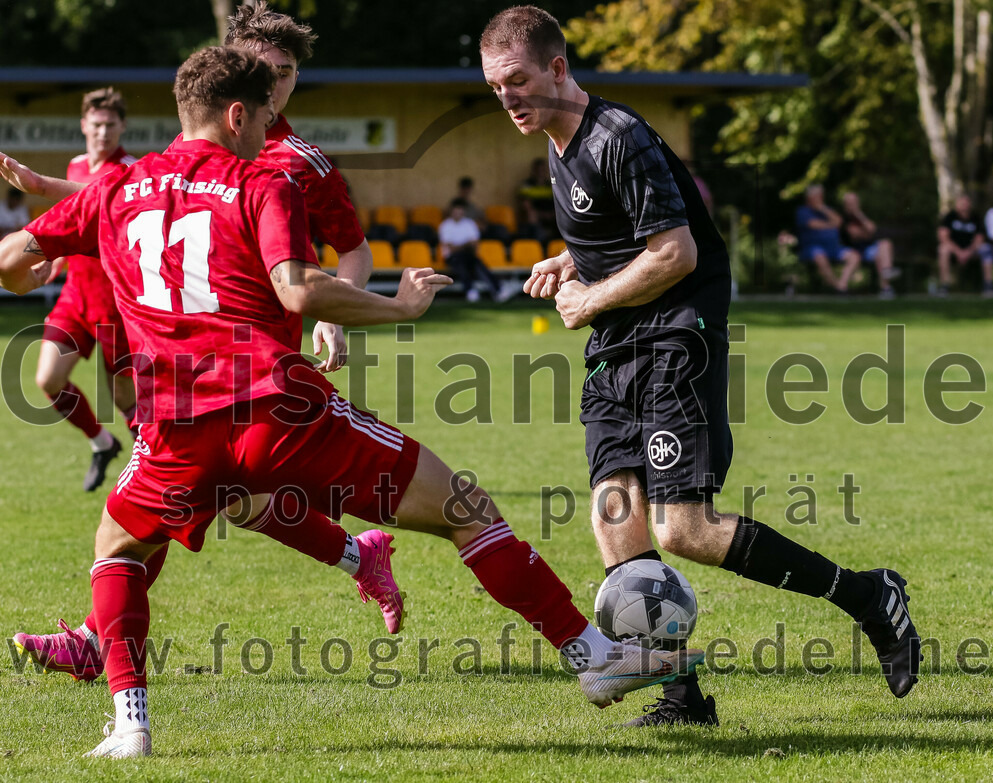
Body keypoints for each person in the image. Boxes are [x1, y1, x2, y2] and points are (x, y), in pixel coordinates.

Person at [0, 45, 702, 759]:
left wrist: (36, 274)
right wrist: (397, 307)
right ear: (237, 115)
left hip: (175, 433)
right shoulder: (260, 180)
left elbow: (11, 262)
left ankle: (131, 726)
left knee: (117, 550)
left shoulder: (116, 189)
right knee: (464, 509)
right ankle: (592, 656)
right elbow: (299, 289)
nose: (266, 131)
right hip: (278, 411)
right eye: (262, 118)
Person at [482, 5, 921, 727]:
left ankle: (870, 595)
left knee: (684, 527)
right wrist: (571, 261)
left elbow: (676, 252)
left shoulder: (617, 137)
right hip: (616, 349)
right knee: (614, 514)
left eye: (518, 81)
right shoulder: (560, 146)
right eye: (496, 87)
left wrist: (589, 297)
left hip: (674, 338)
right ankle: (681, 695)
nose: (508, 98)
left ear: (557, 69)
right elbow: (624, 233)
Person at [5, 0, 408, 686]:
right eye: (260, 69)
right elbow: (127, 198)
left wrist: (334, 313)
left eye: (285, 72)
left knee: (184, 496)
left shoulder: (302, 163)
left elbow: (355, 249)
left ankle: (99, 647)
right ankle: (358, 555)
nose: (273, 85)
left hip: (258, 365)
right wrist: (52, 198)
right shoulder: (200, 142)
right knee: (220, 497)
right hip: (183, 355)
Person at [40, 88, 138, 491]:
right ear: (83, 125)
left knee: (124, 397)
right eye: (96, 125)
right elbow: (71, 221)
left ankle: (152, 464)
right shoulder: (75, 166)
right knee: (48, 379)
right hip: (76, 296)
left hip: (116, 302)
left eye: (110, 125)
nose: (103, 132)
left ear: (122, 126)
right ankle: (102, 443)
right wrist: (55, 257)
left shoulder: (131, 170)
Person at [439, 197, 519, 302]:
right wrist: (466, 244)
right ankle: (470, 291)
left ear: (463, 211)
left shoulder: (469, 223)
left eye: (460, 210)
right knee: (461, 265)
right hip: (453, 257)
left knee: (480, 266)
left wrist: (462, 246)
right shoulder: (445, 225)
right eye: (456, 210)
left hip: (468, 255)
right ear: (451, 211)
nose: (458, 213)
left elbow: (474, 243)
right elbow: (451, 248)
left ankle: (498, 290)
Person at [795, 185, 861, 293]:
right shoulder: (803, 211)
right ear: (809, 198)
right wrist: (831, 224)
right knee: (820, 257)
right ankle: (837, 287)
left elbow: (839, 221)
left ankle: (842, 285)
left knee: (854, 256)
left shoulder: (827, 210)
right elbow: (814, 225)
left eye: (821, 196)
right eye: (817, 196)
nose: (820, 198)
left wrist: (822, 208)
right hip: (813, 248)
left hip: (834, 248)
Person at [840, 191, 898, 298]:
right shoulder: (844, 218)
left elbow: (872, 229)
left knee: (884, 244)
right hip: (853, 250)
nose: (853, 205)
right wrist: (866, 232)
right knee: (878, 252)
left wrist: (858, 214)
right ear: (845, 204)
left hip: (867, 248)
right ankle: (886, 285)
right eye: (850, 202)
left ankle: (886, 280)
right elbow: (856, 234)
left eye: (854, 202)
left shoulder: (861, 216)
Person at [936, 193, 993, 297]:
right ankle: (944, 286)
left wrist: (968, 252)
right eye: (961, 203)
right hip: (954, 251)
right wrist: (959, 252)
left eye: (966, 203)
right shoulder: (950, 217)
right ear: (957, 204)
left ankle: (988, 285)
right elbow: (943, 237)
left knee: (986, 248)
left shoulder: (976, 217)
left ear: (970, 204)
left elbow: (979, 239)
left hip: (972, 251)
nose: (964, 205)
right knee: (942, 249)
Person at [517, 156, 557, 242]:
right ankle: (537, 243)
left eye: (543, 170)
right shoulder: (527, 185)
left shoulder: (551, 185)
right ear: (534, 171)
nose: (540, 172)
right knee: (531, 215)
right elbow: (525, 204)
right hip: (536, 215)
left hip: (551, 214)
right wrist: (542, 214)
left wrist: (551, 214)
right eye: (538, 170)